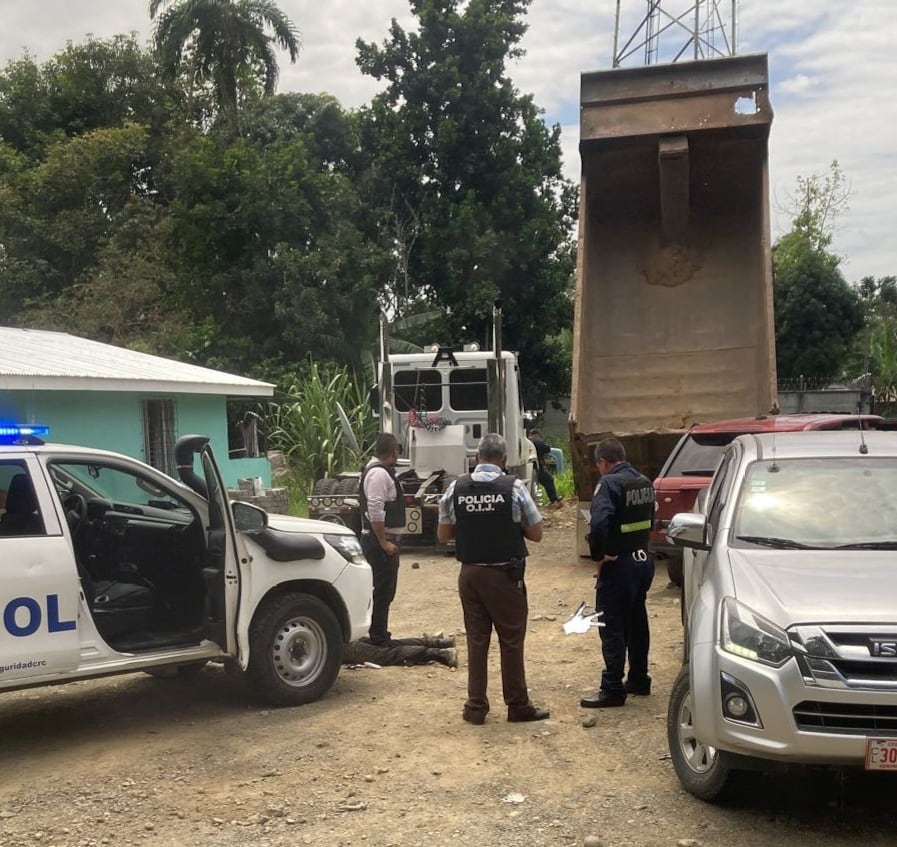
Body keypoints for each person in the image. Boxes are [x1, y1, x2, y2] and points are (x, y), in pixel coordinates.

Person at [437, 432, 549, 725]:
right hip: (503, 575)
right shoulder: (514, 488)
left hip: (470, 574)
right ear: (504, 459)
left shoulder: (455, 489)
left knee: (477, 640)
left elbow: (443, 535)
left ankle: (476, 707)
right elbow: (536, 534)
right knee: (511, 640)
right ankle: (517, 705)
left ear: (477, 458)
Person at [581, 437, 656, 708]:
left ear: (603, 462)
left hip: (619, 565)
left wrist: (599, 556)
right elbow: (651, 521)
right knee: (637, 622)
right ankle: (638, 679)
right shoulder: (644, 482)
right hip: (642, 560)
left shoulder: (609, 484)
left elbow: (599, 522)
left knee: (612, 625)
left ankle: (612, 687)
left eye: (598, 464)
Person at [358, 433, 404, 646]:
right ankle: (378, 637)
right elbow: (375, 509)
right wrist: (384, 542)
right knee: (382, 591)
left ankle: (380, 632)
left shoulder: (378, 472)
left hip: (381, 542)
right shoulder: (378, 474)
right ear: (393, 451)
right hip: (380, 543)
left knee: (385, 590)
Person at [343, 634, 458, 668]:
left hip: (338, 646)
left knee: (389, 654)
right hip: (341, 635)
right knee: (389, 645)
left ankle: (440, 654)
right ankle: (439, 643)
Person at [528, 429, 563, 509]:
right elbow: (547, 449)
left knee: (546, 481)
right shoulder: (537, 442)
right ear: (536, 435)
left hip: (534, 468)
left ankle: (554, 500)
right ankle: (554, 500)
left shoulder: (529, 443)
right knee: (549, 480)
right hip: (537, 468)